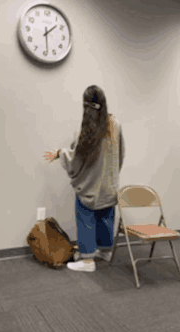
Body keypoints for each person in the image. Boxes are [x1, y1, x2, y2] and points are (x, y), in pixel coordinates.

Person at [44, 85, 125, 272]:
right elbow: (121, 154)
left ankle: (88, 260)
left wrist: (59, 153)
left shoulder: (85, 130)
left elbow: (75, 158)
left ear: (85, 105)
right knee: (106, 216)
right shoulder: (116, 125)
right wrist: (112, 176)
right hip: (109, 185)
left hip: (90, 186)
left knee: (85, 216)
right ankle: (105, 251)